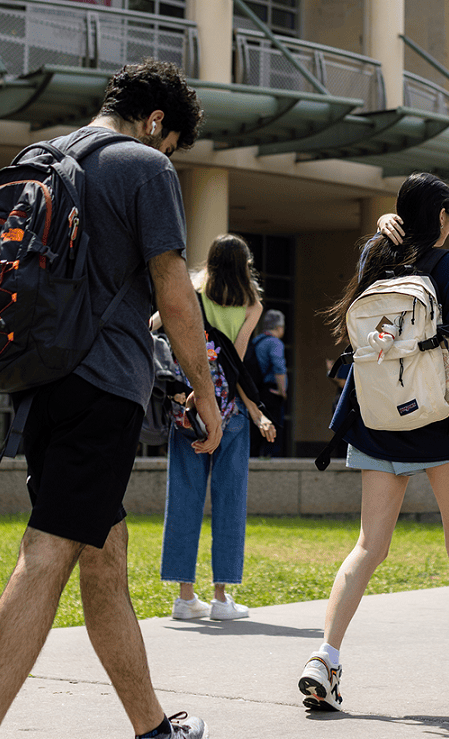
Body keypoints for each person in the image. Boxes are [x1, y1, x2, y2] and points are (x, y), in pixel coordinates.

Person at [0, 59, 221, 739]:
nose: (168, 156)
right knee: (46, 556)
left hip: (42, 384)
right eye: (170, 142)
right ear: (157, 122)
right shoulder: (145, 166)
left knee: (103, 556)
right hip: (102, 390)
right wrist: (205, 393)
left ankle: (151, 725)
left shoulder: (43, 155)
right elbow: (175, 293)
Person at [297, 172, 449, 712]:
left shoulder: (374, 262)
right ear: (441, 217)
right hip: (437, 419)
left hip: (375, 416)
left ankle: (324, 658)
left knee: (368, 545)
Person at [155, 234, 276, 622]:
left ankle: (185, 597)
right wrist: (255, 411)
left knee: (184, 499)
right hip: (230, 410)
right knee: (229, 502)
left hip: (188, 408)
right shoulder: (252, 305)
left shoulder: (191, 291)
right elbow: (235, 361)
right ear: (244, 266)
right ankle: (222, 598)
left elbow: (155, 324)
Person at [249, 309, 287, 457]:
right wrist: (282, 390)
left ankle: (254, 458)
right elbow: (279, 367)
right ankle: (270, 458)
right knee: (274, 428)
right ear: (279, 327)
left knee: (257, 427)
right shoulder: (275, 343)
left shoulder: (256, 341)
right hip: (271, 391)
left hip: (256, 391)